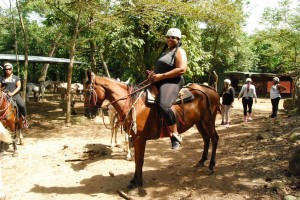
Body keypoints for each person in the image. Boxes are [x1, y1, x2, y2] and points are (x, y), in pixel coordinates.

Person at [147, 28, 187, 149]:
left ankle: (175, 135)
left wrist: (161, 76)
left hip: (173, 81)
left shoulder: (180, 51)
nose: (170, 39)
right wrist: (153, 74)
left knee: (163, 105)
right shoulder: (165, 52)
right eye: (168, 37)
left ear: (178, 40)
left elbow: (182, 69)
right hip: (159, 80)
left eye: (173, 37)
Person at [0, 63, 28, 128]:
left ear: (12, 69)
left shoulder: (16, 77)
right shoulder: (2, 78)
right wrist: (2, 92)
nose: (8, 70)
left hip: (15, 95)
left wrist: (12, 93)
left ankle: (25, 120)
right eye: (6, 69)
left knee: (22, 105)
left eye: (9, 69)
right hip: (5, 95)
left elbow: (19, 86)